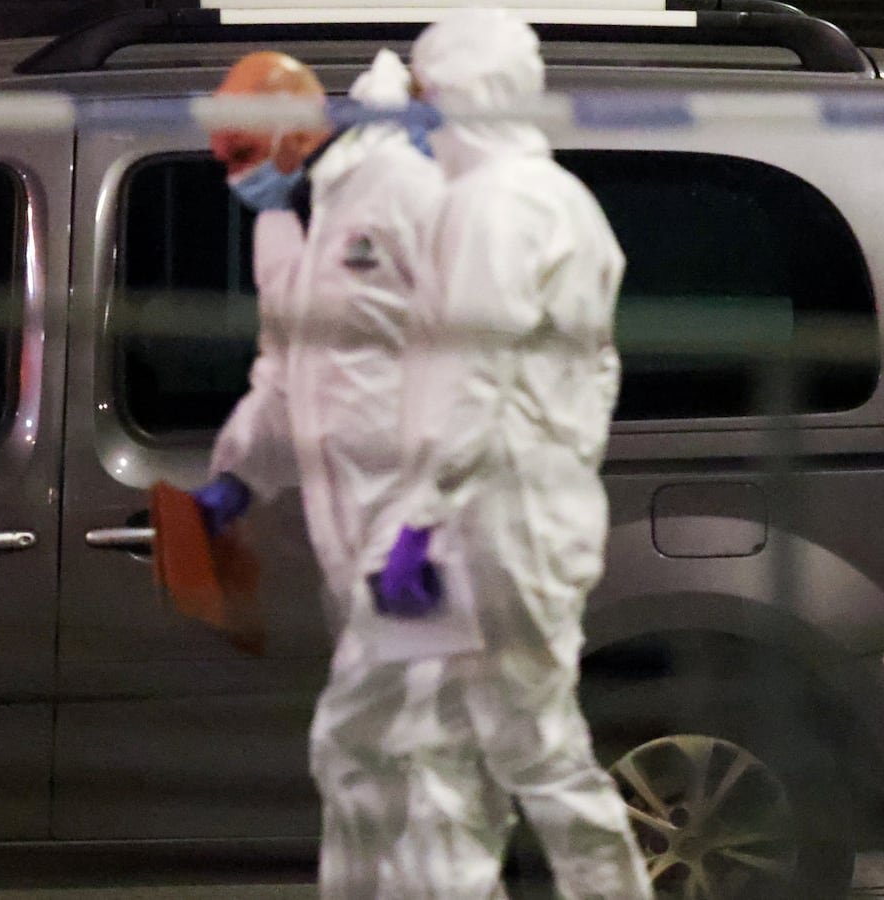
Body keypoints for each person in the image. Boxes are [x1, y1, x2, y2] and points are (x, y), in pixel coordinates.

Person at [332, 10, 655, 899]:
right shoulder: (562, 200)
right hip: (537, 508)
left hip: (492, 518)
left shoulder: (492, 207)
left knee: (510, 752)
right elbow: (589, 375)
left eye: (430, 98)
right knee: (497, 751)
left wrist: (415, 527)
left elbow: (464, 378)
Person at [195, 48, 473, 898]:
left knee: (415, 788)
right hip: (359, 556)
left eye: (241, 154)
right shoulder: (295, 218)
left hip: (427, 555)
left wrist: (424, 530)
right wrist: (235, 477)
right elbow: (292, 373)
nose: (228, 172)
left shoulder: (401, 192)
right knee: (365, 777)